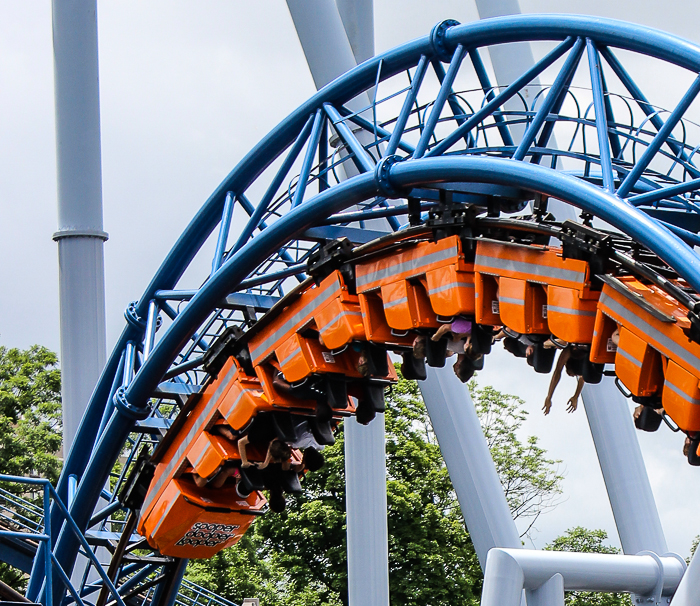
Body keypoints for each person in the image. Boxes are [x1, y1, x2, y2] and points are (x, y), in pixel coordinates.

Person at [543, 345, 585, 415]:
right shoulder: (571, 350)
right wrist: (575, 396)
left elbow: (557, 372)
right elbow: (582, 378)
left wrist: (549, 396)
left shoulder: (569, 350)